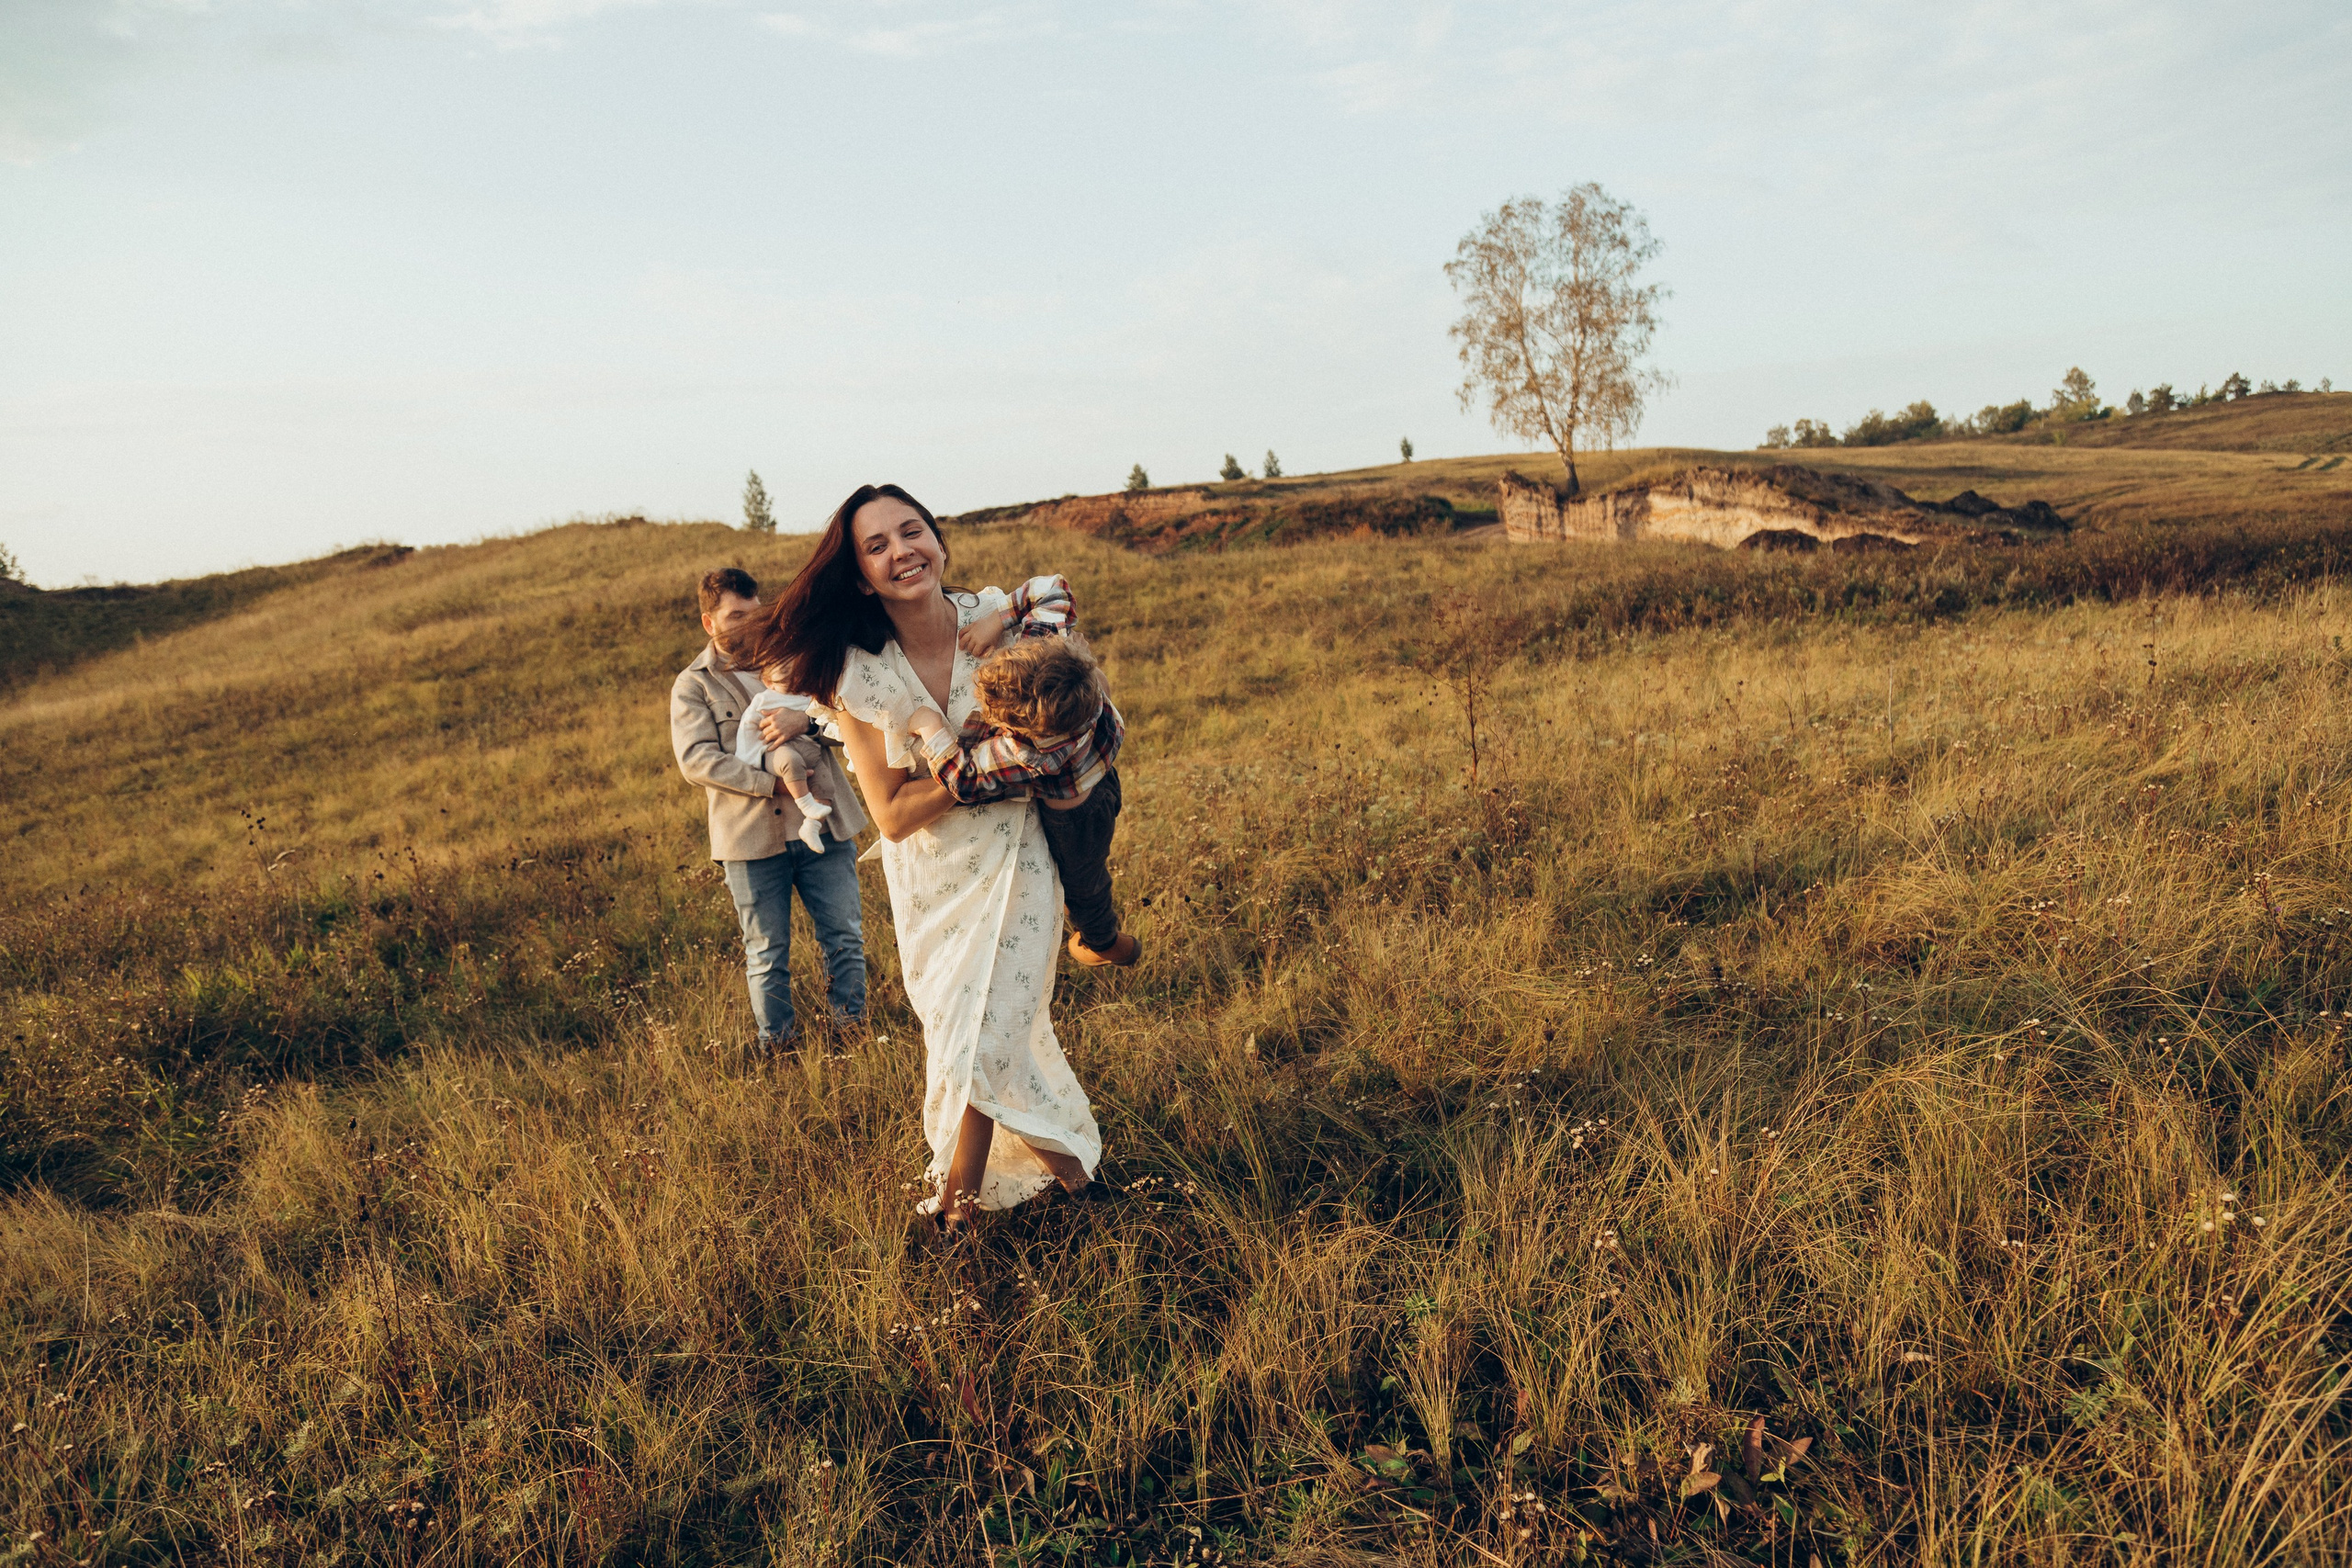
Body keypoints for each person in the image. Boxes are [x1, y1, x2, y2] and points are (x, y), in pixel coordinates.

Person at [729, 487, 1102, 1236]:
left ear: (938, 540)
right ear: (861, 574)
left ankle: (957, 1213)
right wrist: (984, 762)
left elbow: (1067, 710)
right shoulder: (856, 673)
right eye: (877, 545)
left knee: (988, 1032)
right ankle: (1078, 1183)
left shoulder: (998, 621)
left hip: (1016, 857)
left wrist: (1016, 757)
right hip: (931, 880)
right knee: (967, 1033)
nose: (902, 551)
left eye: (913, 531)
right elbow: (893, 814)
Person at [670, 567, 867, 1049]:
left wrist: (808, 720)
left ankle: (851, 1034)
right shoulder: (692, 685)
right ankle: (777, 1047)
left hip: (826, 822)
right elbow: (698, 760)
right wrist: (771, 785)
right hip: (750, 840)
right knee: (766, 951)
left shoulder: (797, 658)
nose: (749, 623)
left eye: (755, 613)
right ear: (708, 622)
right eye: (735, 615)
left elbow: (855, 717)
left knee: (844, 937)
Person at [904, 573, 1138, 966]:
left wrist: (930, 727)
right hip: (1104, 771)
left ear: (1020, 730)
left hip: (1077, 818)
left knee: (1084, 885)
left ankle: (1106, 943)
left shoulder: (1028, 751)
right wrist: (998, 618)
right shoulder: (1048, 655)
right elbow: (1053, 588)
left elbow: (962, 777)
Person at [729, 659, 836, 855]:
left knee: (826, 786)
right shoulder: (765, 699)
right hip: (776, 750)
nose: (794, 681)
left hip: (810, 750)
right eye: (785, 677)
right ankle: (806, 804)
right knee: (790, 762)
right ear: (769, 683)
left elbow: (834, 723)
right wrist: (751, 756)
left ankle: (811, 827)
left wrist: (807, 721)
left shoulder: (809, 697)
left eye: (797, 674)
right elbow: (747, 727)